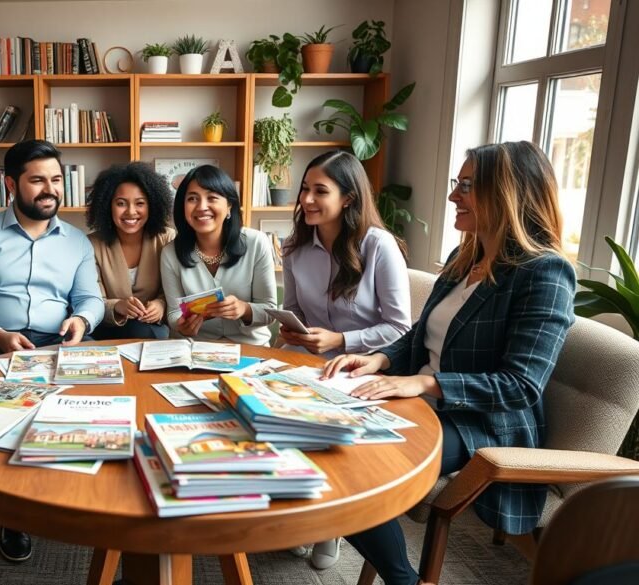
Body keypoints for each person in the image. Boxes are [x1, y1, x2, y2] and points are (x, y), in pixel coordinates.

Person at [322, 141, 577, 585]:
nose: (453, 196)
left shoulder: (545, 272)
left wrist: (424, 385)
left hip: (483, 422)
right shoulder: (467, 260)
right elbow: (420, 333)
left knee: (358, 472)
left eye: (466, 186)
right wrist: (377, 359)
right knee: (324, 443)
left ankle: (403, 581)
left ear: (507, 192)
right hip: (423, 404)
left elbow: (520, 385)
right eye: (455, 184)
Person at [0, 139, 104, 561]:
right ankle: (11, 513)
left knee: (97, 407)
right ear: (10, 183)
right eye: (37, 180)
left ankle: (78, 495)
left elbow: (91, 298)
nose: (50, 189)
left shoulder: (76, 241)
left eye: (56, 179)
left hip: (61, 343)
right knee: (7, 419)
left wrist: (82, 321)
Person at [278, 151, 413, 570]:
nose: (308, 200)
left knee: (322, 429)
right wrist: (292, 330)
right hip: (308, 359)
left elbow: (400, 328)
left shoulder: (378, 245)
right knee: (263, 411)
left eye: (321, 191)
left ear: (349, 198)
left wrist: (341, 339)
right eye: (305, 189)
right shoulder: (295, 247)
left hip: (365, 366)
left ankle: (328, 524)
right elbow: (293, 308)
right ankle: (297, 510)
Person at [160, 165, 277, 345]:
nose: (202, 207)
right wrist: (181, 324)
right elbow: (174, 312)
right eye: (192, 199)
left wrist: (244, 309)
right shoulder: (170, 253)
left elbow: (270, 311)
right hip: (195, 348)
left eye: (212, 198)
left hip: (249, 349)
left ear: (229, 205)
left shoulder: (257, 243)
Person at [85, 161, 175, 340]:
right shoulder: (92, 244)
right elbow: (91, 299)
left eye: (140, 203)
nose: (131, 212)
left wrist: (161, 304)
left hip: (150, 328)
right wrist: (118, 306)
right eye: (121, 203)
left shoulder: (167, 238)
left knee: (144, 332)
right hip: (106, 328)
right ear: (107, 206)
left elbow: (175, 289)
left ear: (152, 205)